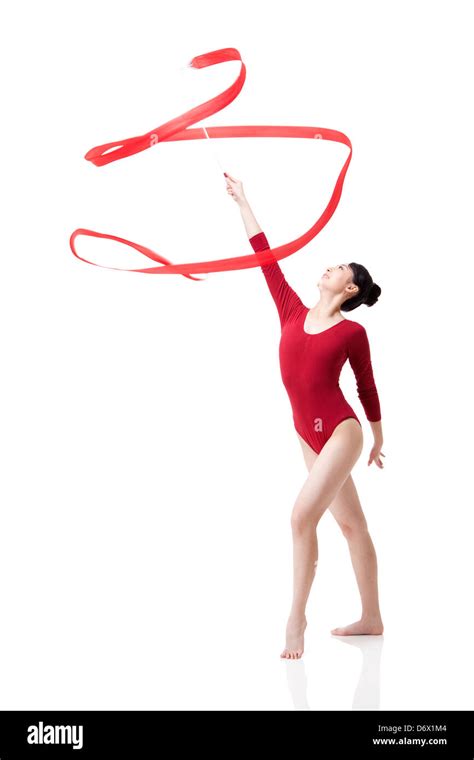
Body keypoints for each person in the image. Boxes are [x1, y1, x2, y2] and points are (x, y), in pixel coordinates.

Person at [225, 172, 385, 659]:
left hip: (341, 430)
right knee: (352, 525)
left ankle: (296, 619)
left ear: (351, 287)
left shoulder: (351, 333)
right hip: (305, 432)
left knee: (300, 518)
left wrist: (376, 439)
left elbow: (366, 386)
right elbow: (265, 259)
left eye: (338, 268)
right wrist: (244, 200)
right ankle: (372, 617)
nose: (328, 268)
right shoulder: (292, 312)